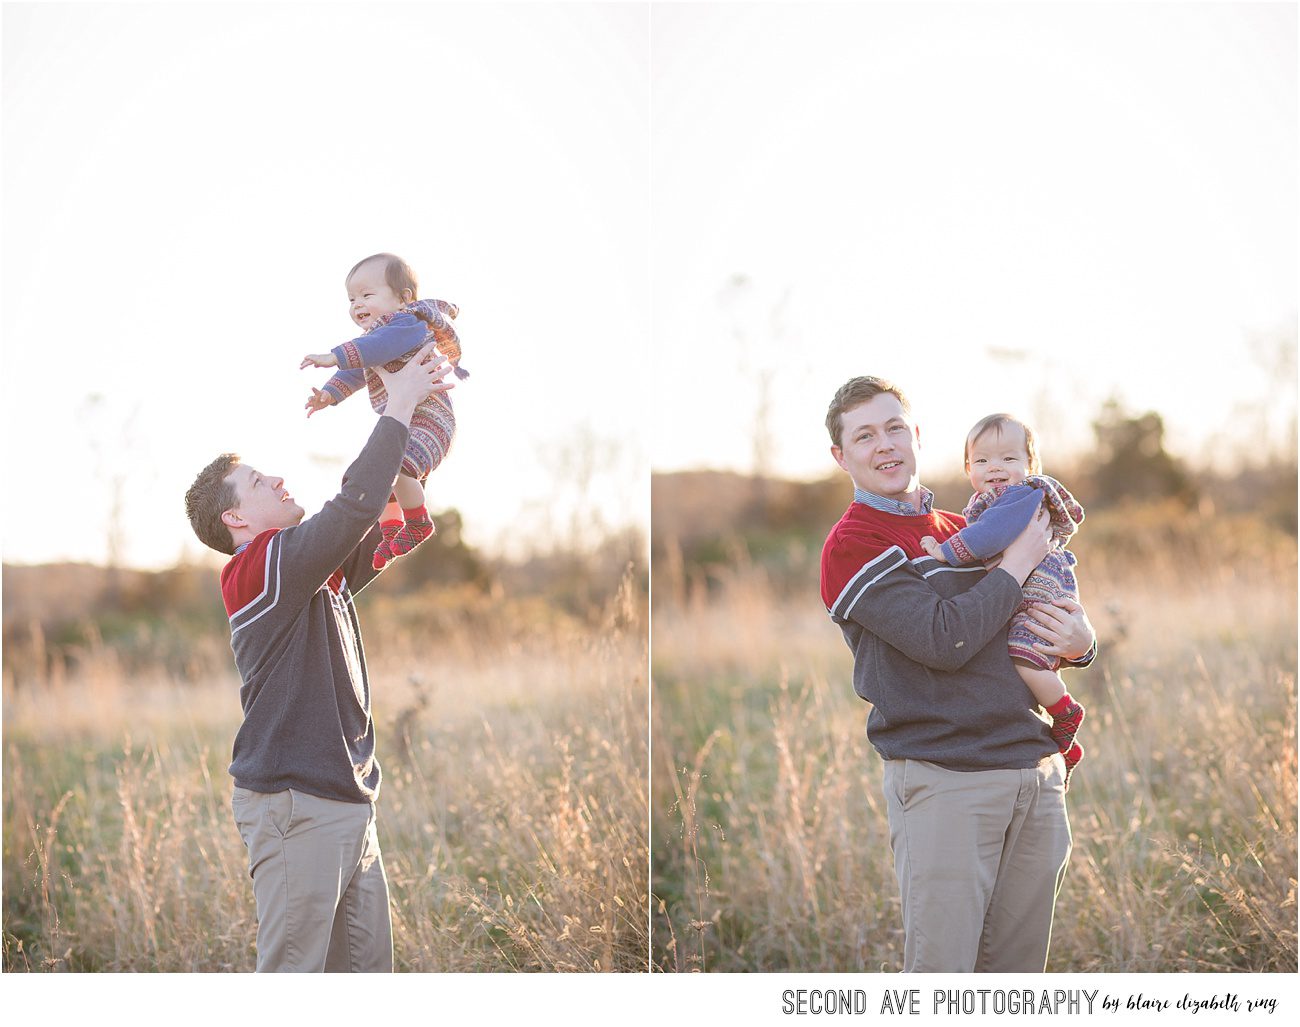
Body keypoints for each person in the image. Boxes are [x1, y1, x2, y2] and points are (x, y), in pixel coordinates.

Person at [184, 342, 455, 972]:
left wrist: (410, 456)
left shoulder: (312, 572)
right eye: (258, 482)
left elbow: (400, 529)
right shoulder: (258, 570)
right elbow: (352, 506)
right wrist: (398, 409)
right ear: (235, 518)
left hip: (350, 802)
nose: (278, 479)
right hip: (294, 807)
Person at [818, 376, 1096, 973]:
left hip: (1034, 772)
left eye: (895, 427)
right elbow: (946, 639)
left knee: (1017, 982)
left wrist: (1084, 641)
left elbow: (1035, 613)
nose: (885, 444)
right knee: (943, 985)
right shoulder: (854, 545)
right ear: (841, 456)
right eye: (864, 436)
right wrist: (1018, 562)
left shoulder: (967, 530)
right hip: (949, 780)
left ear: (917, 435)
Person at [919, 414, 1088, 788]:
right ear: (967, 468)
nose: (994, 467)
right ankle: (1061, 727)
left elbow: (988, 537)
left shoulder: (1019, 496)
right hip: (1025, 589)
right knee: (1026, 653)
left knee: (1025, 657)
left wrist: (945, 552)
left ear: (1030, 466)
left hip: (1040, 587)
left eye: (1008, 459)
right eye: (982, 461)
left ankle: (1065, 713)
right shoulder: (986, 503)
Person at [301, 252, 467, 570]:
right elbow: (360, 366)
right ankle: (391, 534)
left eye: (367, 295)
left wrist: (334, 356)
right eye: (351, 298)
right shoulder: (377, 337)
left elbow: (373, 349)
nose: (357, 305)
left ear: (404, 298)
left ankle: (418, 525)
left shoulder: (408, 323)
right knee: (383, 473)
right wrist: (328, 394)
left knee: (394, 467)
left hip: (431, 419)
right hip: (409, 419)